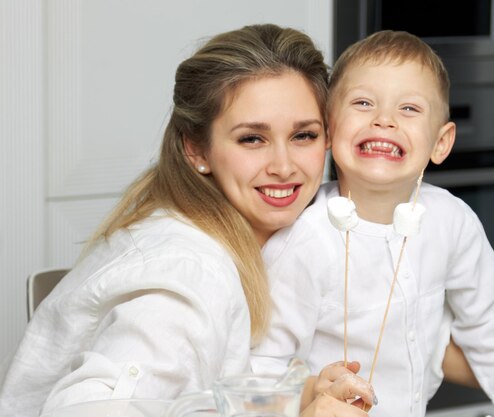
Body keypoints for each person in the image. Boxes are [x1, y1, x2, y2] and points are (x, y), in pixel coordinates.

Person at [0, 24, 375, 417]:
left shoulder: (257, 240)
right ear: (197, 149)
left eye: (304, 136)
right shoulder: (188, 279)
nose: (284, 166)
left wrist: (300, 395)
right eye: (252, 139)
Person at [250, 30, 494, 417]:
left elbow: (489, 333)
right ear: (329, 129)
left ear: (441, 143)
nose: (384, 120)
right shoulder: (304, 241)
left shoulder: (453, 221)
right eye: (363, 103)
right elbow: (263, 370)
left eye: (409, 109)